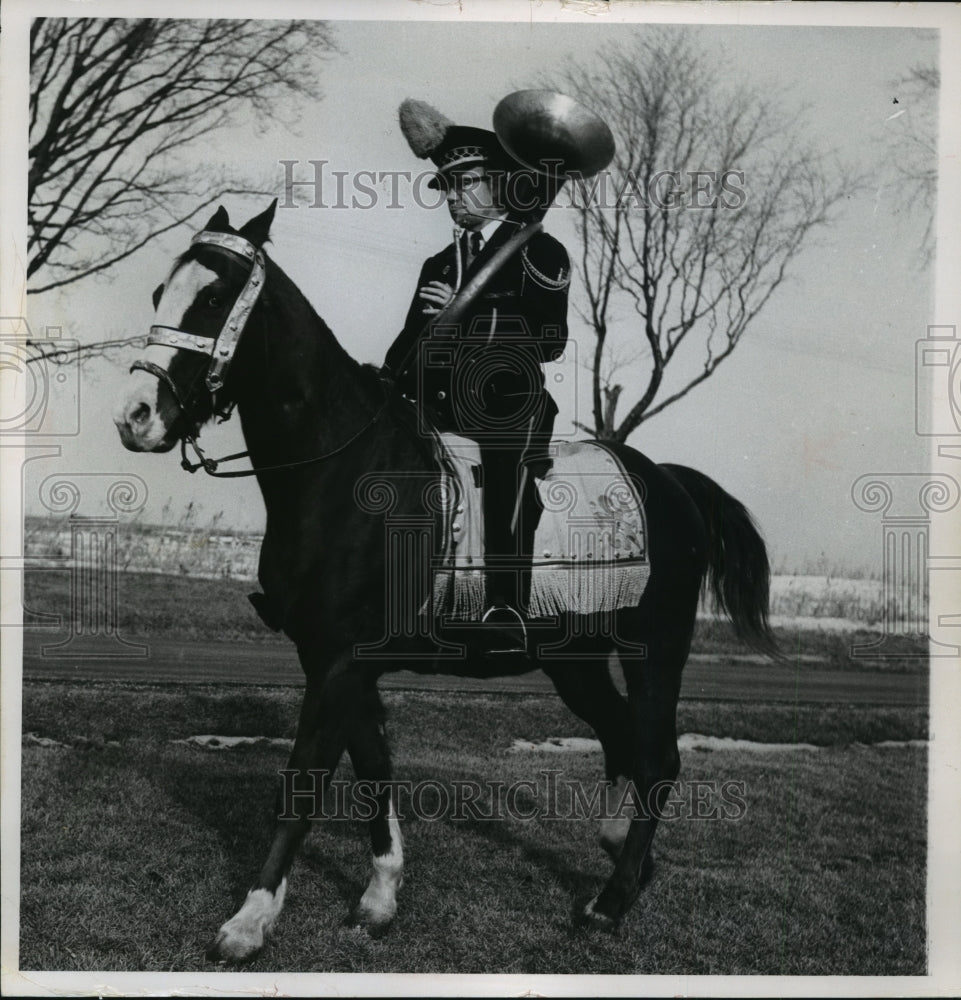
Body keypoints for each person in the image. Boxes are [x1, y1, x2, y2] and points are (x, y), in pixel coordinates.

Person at [382, 98, 571, 655]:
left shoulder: (540, 250)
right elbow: (407, 344)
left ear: (499, 184)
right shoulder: (437, 264)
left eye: (466, 181)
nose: (453, 196)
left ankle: (506, 605)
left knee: (505, 466)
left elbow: (549, 341)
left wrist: (467, 316)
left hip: (506, 401)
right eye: (447, 185)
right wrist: (380, 381)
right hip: (437, 400)